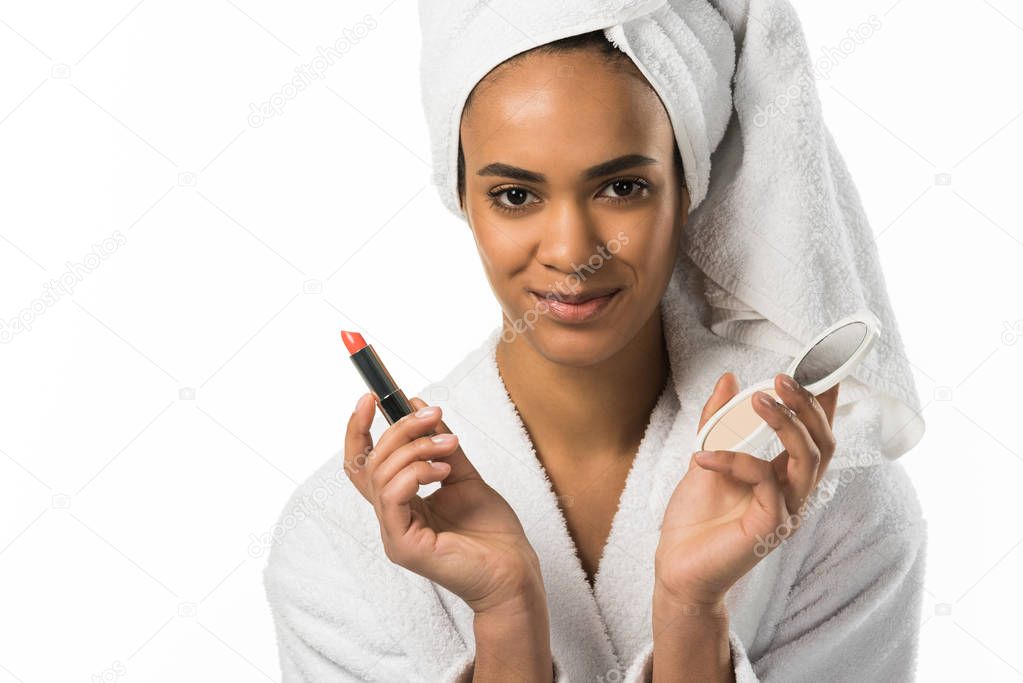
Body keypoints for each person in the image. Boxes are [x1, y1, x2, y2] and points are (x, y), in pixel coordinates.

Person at [264, 11, 927, 683]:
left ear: (688, 188)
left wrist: (691, 614)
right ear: (461, 194)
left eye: (621, 187)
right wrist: (505, 620)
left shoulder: (838, 507)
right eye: (515, 194)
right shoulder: (339, 538)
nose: (571, 251)